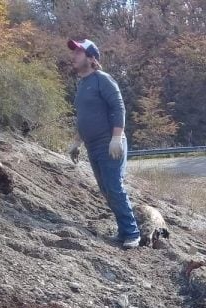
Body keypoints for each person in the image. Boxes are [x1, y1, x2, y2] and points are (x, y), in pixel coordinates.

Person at [67, 38, 140, 249]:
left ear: (91, 58)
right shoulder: (82, 85)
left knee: (114, 187)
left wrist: (117, 137)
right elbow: (84, 116)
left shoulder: (103, 79)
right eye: (74, 52)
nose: (74, 56)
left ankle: (132, 233)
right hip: (92, 146)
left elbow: (119, 108)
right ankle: (123, 230)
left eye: (79, 53)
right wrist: (76, 142)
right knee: (106, 190)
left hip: (110, 144)